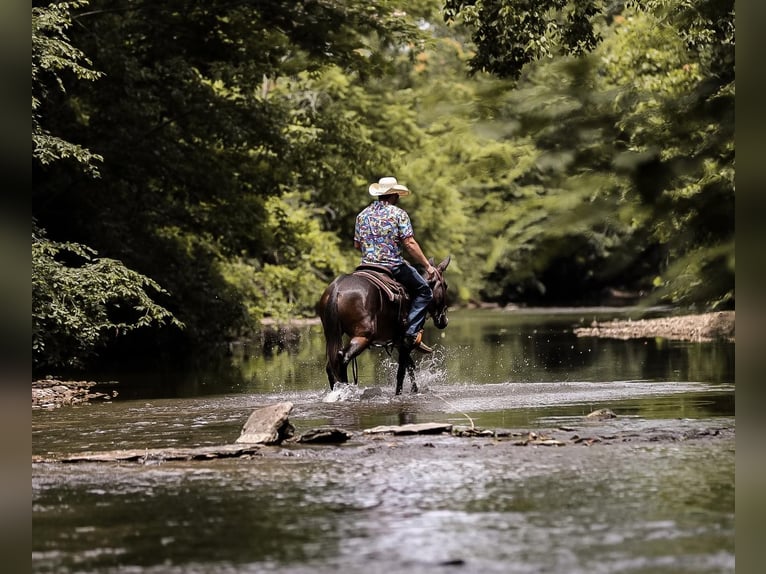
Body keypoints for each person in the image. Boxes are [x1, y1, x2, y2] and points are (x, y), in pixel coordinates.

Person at [354, 176, 437, 353]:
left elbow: (357, 244)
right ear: (394, 196)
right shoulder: (399, 214)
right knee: (424, 292)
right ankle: (411, 334)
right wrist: (428, 267)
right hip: (392, 266)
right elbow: (409, 244)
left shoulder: (362, 215)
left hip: (365, 267)